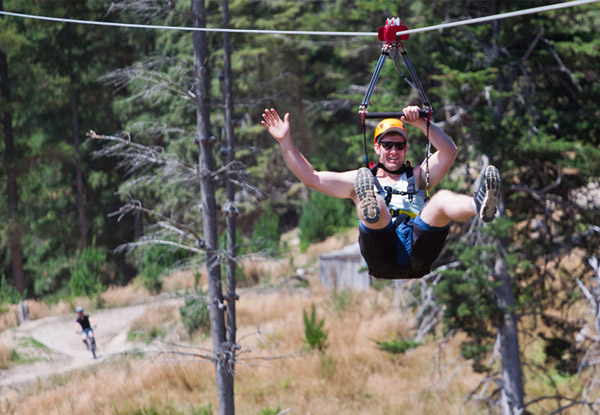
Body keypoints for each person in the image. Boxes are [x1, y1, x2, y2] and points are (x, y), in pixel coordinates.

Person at [261, 106, 502, 279]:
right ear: (377, 147)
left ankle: (478, 205)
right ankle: (372, 210)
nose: (394, 151)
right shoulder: (360, 179)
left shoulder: (418, 177)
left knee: (441, 199)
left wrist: (420, 122)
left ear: (406, 148)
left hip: (417, 251)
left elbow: (449, 151)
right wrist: (285, 141)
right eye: (387, 145)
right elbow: (310, 178)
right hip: (381, 253)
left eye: (399, 146)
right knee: (369, 194)